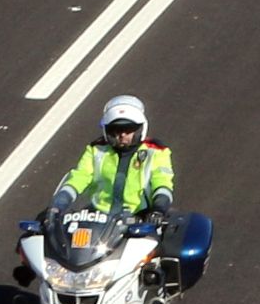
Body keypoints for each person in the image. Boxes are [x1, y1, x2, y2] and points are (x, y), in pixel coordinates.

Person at [54, 94, 178, 229]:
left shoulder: (156, 151)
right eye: (116, 129)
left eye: (129, 129)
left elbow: (162, 183)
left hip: (140, 219)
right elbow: (79, 177)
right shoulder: (96, 150)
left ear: (139, 129)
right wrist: (59, 204)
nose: (122, 135)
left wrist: (158, 209)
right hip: (97, 218)